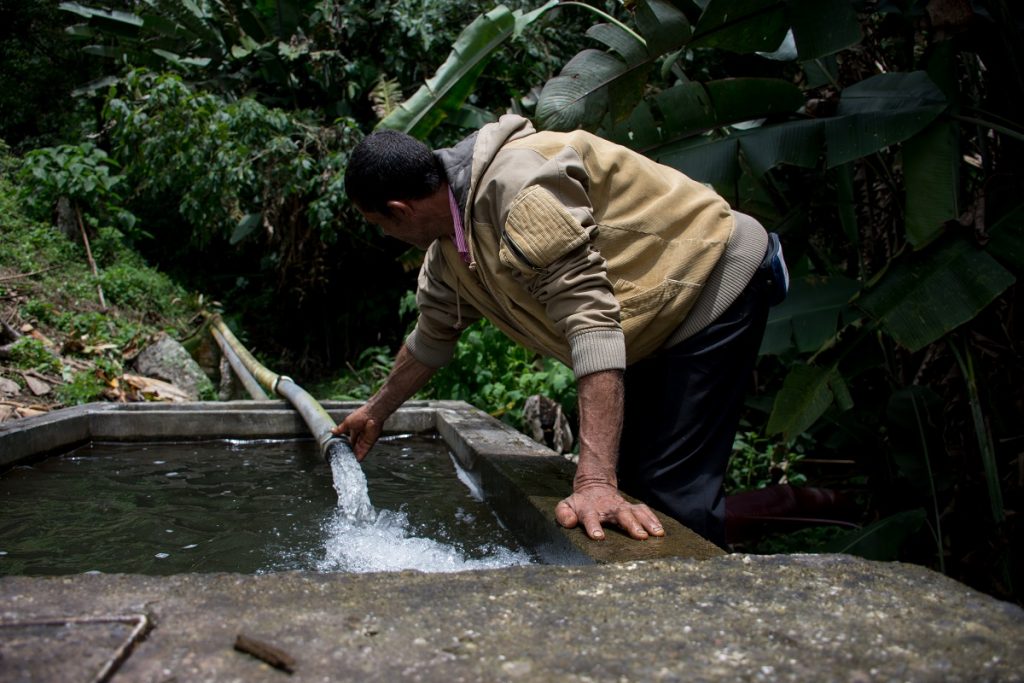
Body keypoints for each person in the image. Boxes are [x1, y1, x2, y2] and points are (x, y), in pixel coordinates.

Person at [334, 114, 787, 547]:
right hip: (653, 319)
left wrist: (593, 481)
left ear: (398, 210)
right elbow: (430, 338)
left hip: (712, 282)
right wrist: (375, 412)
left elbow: (590, 319)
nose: (385, 236)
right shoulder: (450, 251)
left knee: (669, 488)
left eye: (378, 226)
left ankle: (698, 610)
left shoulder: (517, 191)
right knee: (634, 486)